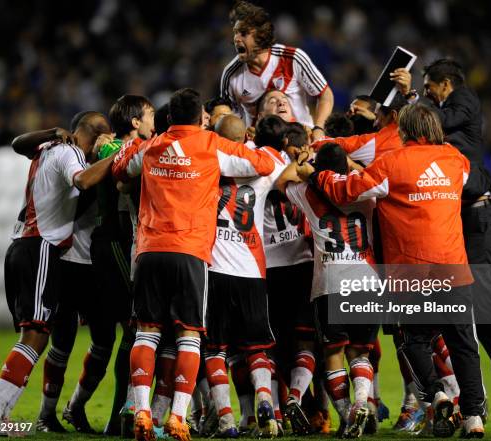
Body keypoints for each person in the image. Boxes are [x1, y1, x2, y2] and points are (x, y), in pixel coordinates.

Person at [302, 104, 487, 438]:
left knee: (413, 340)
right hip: (453, 267)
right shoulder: (455, 160)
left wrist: (320, 173)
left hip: (411, 269)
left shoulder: (390, 164)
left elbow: (345, 191)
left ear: (406, 131)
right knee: (463, 344)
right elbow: (460, 179)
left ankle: (437, 394)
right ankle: (474, 417)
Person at [112, 88, 276, 441]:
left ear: (169, 118)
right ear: (200, 116)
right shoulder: (211, 145)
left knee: (147, 332)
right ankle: (177, 418)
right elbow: (262, 164)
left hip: (150, 250)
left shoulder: (152, 145)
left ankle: (141, 411)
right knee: (190, 335)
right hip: (191, 252)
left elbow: (119, 167)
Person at [392, 59, 491, 411]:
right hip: (465, 216)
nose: (427, 93)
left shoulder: (465, 99)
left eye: (429, 86)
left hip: (478, 214)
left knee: (478, 294)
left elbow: (434, 123)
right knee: (469, 301)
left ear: (446, 83)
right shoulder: (446, 121)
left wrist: (411, 97)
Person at [0, 112, 115, 433]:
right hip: (40, 246)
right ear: (96, 138)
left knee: (38, 337)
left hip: (22, 245)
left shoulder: (48, 147)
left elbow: (17, 143)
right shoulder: (71, 153)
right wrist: (119, 155)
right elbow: (81, 180)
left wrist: (51, 130)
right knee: (35, 335)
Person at [276, 143, 379, 438]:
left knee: (333, 354)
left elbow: (282, 181)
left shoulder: (307, 193)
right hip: (366, 279)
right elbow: (366, 174)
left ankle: (348, 415)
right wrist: (350, 165)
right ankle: (361, 403)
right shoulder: (365, 193)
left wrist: (302, 162)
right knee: (360, 353)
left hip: (330, 282)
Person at [204, 114, 287, 438]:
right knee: (256, 349)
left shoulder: (208, 163)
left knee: (215, 350)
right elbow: (289, 174)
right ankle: (265, 399)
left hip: (215, 269)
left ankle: (226, 419)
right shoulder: (264, 163)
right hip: (252, 271)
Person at [89, 95, 156, 436]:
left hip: (129, 241)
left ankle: (121, 413)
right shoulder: (111, 148)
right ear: (135, 122)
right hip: (115, 241)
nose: (153, 120)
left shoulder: (142, 148)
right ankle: (119, 415)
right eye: (150, 115)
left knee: (133, 332)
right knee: (134, 329)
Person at [220, 0, 333, 137]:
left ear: (260, 35)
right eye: (235, 33)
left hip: (302, 139)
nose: (236, 39)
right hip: (261, 147)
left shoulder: (292, 58)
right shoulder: (231, 75)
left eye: (243, 33)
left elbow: (325, 95)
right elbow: (227, 117)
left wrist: (319, 128)